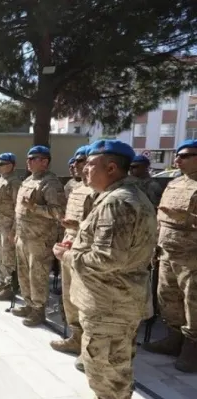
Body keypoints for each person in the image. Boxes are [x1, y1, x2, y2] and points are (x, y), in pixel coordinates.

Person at [54, 139, 156, 399]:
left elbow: (106, 259)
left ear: (111, 168)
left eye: (90, 165)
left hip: (110, 306)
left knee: (106, 376)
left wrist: (68, 255)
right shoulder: (116, 197)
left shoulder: (117, 202)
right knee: (115, 369)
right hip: (113, 303)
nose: (83, 170)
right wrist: (78, 242)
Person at [143, 139, 197, 372]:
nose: (177, 160)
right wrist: (155, 246)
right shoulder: (174, 184)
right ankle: (173, 338)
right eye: (177, 155)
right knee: (167, 297)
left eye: (184, 156)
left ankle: (192, 348)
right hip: (167, 253)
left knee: (193, 304)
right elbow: (161, 219)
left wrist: (186, 218)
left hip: (192, 258)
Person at [13, 146, 67, 326]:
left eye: (33, 158)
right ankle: (28, 303)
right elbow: (19, 210)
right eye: (28, 158)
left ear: (45, 161)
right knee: (24, 273)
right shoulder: (28, 180)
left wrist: (35, 208)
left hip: (40, 238)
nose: (28, 161)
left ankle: (38, 309)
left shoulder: (50, 183)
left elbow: (59, 212)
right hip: (23, 236)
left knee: (38, 276)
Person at [50, 146, 94, 355]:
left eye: (81, 161)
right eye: (75, 161)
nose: (76, 165)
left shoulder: (102, 192)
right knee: (69, 295)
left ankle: (89, 346)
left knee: (85, 298)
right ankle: (75, 337)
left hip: (87, 253)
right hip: (69, 246)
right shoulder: (76, 189)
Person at [0, 153, 21, 300]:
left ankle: (10, 286)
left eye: (1, 164)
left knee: (8, 258)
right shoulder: (0, 181)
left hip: (8, 226)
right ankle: (2, 281)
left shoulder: (14, 182)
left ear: (10, 165)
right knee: (0, 255)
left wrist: (14, 229)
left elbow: (17, 208)